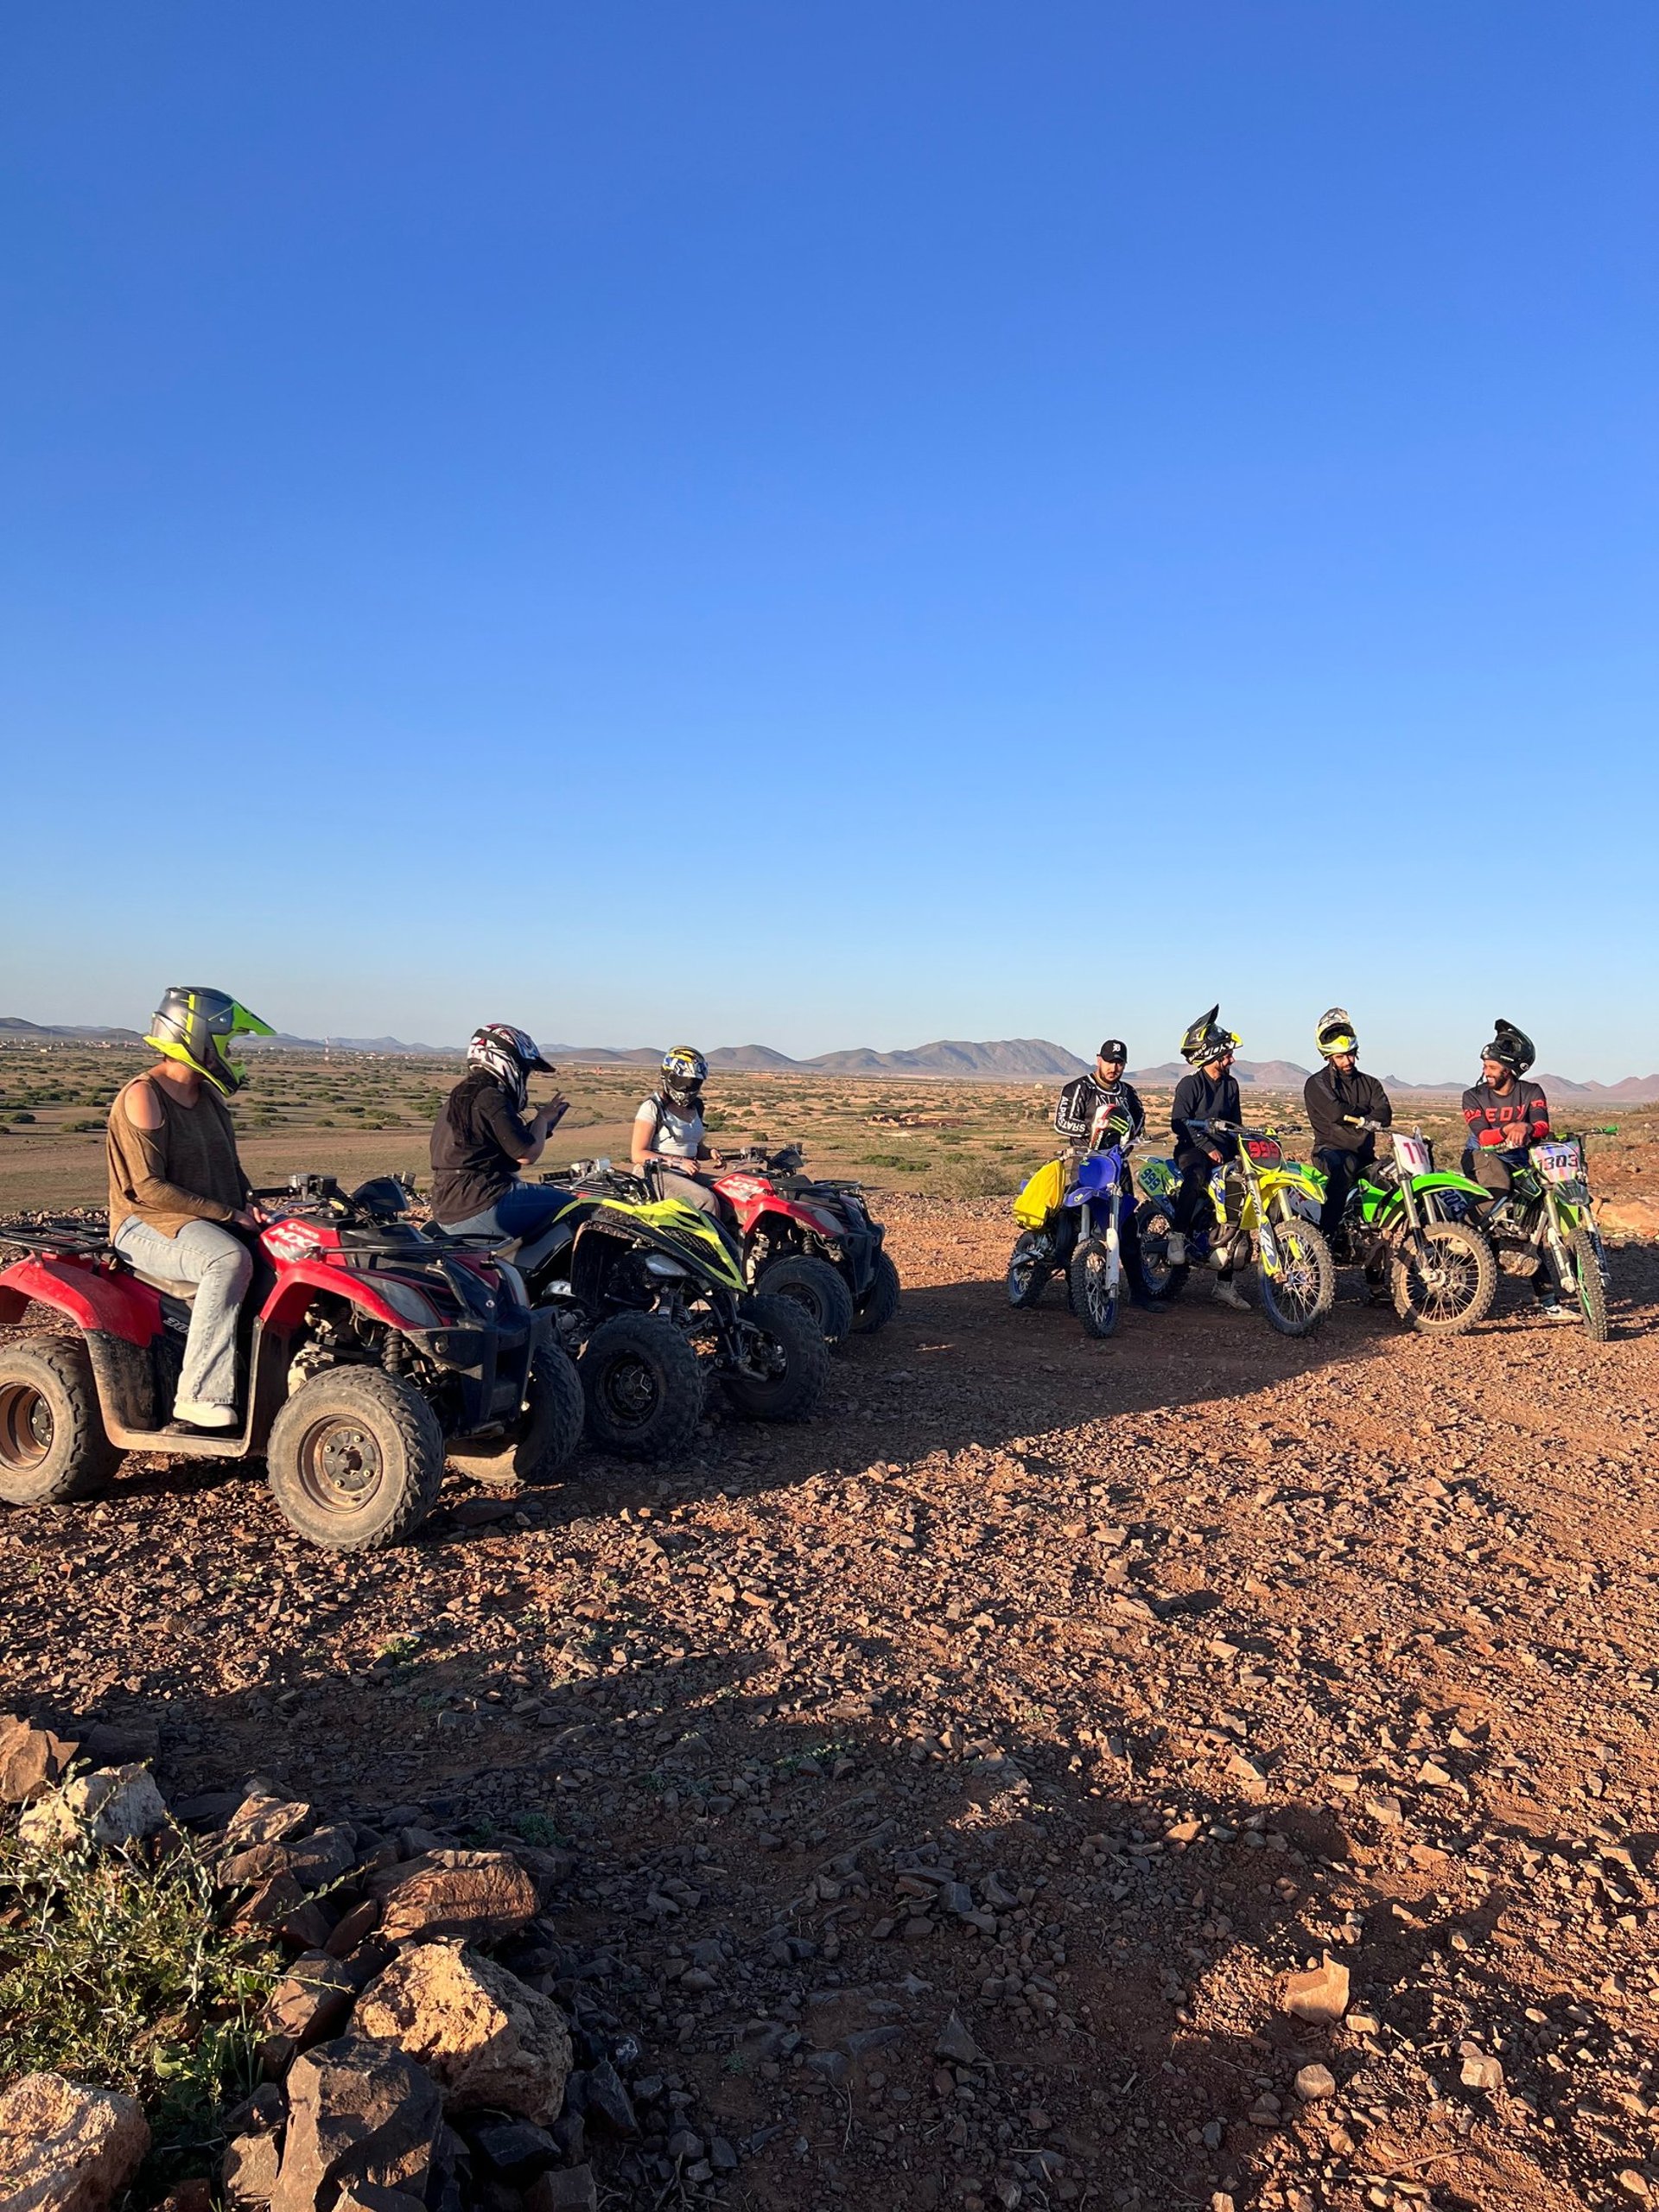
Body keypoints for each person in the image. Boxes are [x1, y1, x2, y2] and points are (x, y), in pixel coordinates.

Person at [106, 986, 275, 1430]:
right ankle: (198, 1395)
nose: (230, 1054)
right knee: (227, 1258)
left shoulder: (209, 1100)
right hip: (146, 1223)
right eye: (227, 1043)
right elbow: (148, 1188)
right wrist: (228, 1216)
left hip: (205, 1220)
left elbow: (231, 1169)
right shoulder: (145, 1096)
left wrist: (250, 1206)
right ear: (198, 1037)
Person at [1460, 1019, 1565, 1318]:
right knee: (1499, 1186)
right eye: (1485, 1065)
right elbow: (1483, 1136)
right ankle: (1464, 1236)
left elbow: (1543, 1127)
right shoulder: (1474, 1096)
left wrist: (1527, 1127)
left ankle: (1548, 1301)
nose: (1486, 1071)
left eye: (1492, 1067)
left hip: (1521, 1161)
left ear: (1511, 1069)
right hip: (1479, 1156)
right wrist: (1513, 1127)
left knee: (1532, 1222)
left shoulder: (1531, 1091)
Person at [429, 1025, 570, 1245]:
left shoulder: (462, 1098)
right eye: (526, 1070)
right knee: (576, 1208)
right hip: (482, 1203)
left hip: (450, 1206)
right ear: (507, 1061)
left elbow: (505, 1143)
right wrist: (542, 1120)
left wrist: (541, 1125)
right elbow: (526, 1154)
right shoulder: (491, 1098)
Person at [1052, 1039, 1163, 1311]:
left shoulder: (1128, 1092)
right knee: (1077, 1228)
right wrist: (1094, 1126)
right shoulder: (1079, 1088)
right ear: (1098, 1059)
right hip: (1087, 1165)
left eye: (1120, 1062)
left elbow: (1138, 1123)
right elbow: (1061, 1121)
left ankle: (1139, 1294)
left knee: (1126, 1229)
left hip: (1118, 1167)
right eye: (1110, 1061)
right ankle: (1075, 1293)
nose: (1114, 1067)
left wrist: (1129, 1134)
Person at [1165, 1006, 1249, 1310]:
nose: (1232, 1059)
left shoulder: (1231, 1084)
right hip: (1191, 1149)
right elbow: (1179, 1122)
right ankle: (1177, 1235)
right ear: (1211, 1056)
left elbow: (1236, 1124)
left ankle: (1225, 1284)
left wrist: (1245, 1148)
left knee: (1238, 1204)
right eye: (1226, 1055)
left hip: (1223, 1152)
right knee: (1195, 1176)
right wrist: (1203, 1143)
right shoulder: (1190, 1084)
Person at [1303, 1008, 1392, 1238]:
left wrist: (1368, 1117)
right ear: (1329, 1057)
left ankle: (1378, 1253)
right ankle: (1327, 1236)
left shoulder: (1370, 1083)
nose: (1348, 1060)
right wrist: (1366, 1116)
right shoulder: (1317, 1083)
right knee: (1344, 1168)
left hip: (1365, 1153)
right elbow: (1336, 1112)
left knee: (1391, 1179)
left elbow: (1384, 1112)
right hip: (1330, 1150)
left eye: (1351, 1054)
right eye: (1341, 1056)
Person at [632, 1047, 724, 1215]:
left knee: (729, 1191)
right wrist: (678, 1162)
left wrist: (710, 1152)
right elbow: (638, 1154)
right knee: (705, 1200)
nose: (687, 1088)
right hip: (656, 1174)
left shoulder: (696, 1107)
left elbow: (692, 1145)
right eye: (682, 1081)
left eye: (693, 1083)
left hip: (687, 1172)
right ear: (667, 1077)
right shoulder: (652, 1107)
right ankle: (705, 1241)